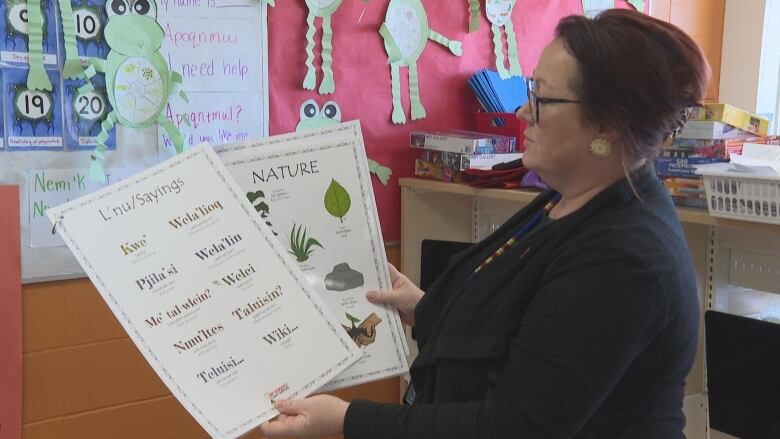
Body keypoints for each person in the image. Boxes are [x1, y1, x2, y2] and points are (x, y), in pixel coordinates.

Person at [262, 8, 709, 439]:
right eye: (529, 89)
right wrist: (421, 307)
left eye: (543, 98)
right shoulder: (569, 198)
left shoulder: (626, 261)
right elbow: (522, 322)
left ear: (609, 124)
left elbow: (510, 427)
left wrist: (347, 419)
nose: (522, 112)